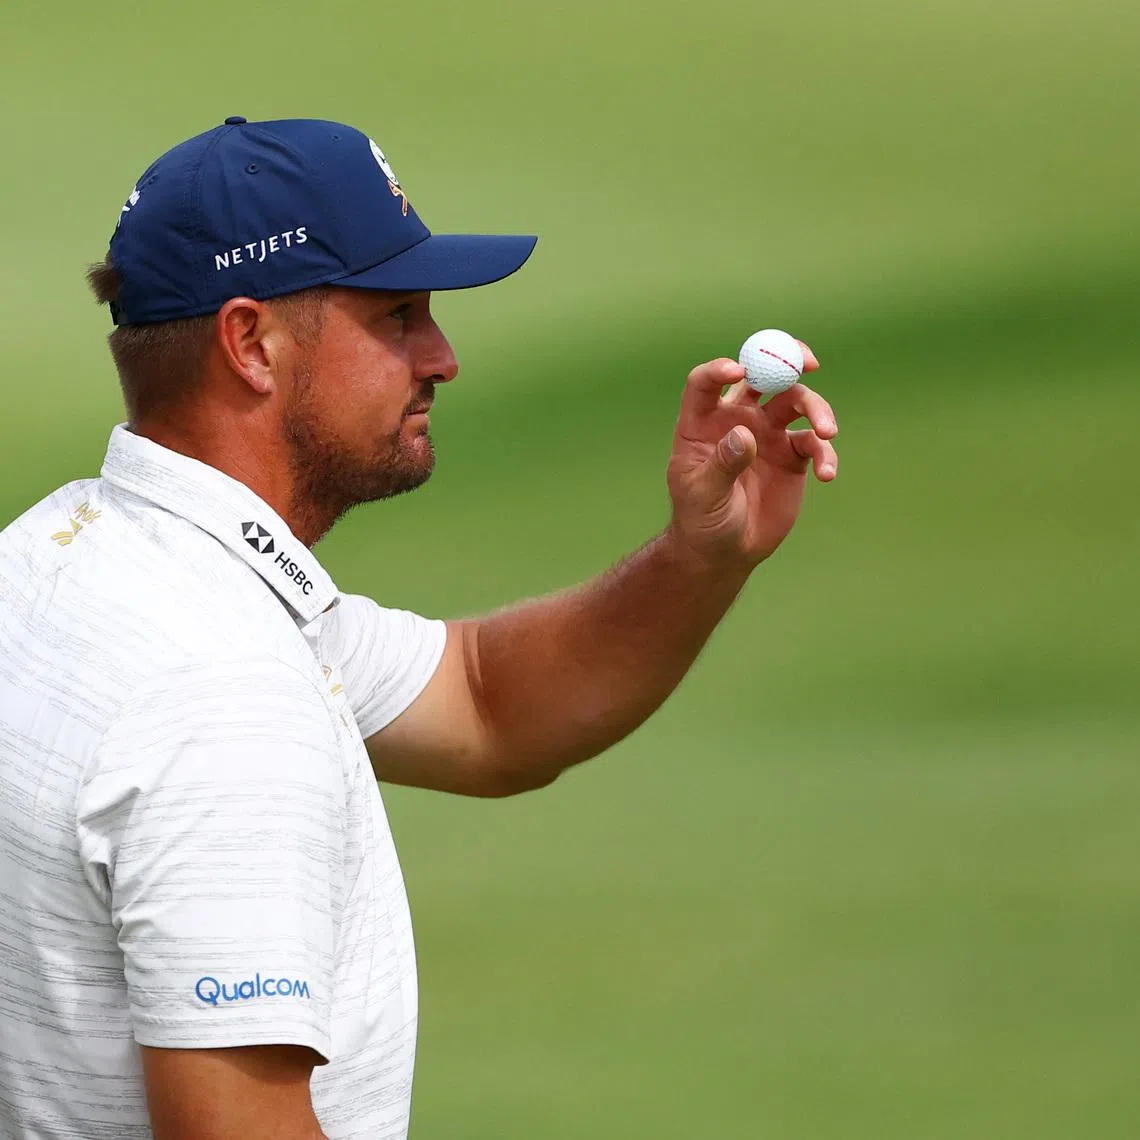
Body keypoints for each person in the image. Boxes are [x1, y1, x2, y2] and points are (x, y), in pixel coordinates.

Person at [0, 117, 838, 1140]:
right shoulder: (222, 696)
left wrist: (700, 555)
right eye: (397, 315)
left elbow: (486, 704)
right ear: (250, 344)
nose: (443, 358)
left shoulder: (60, 557)